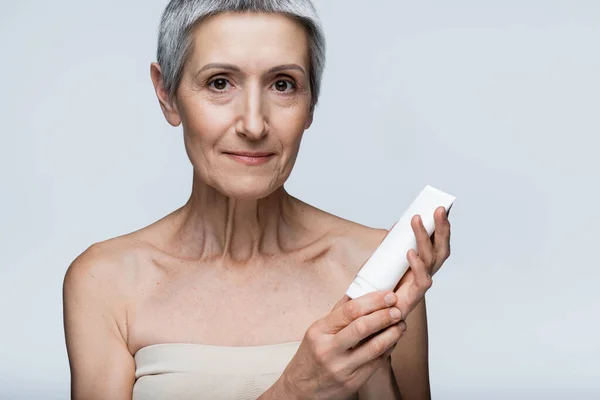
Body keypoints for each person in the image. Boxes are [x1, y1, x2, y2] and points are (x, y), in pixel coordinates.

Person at [62, 0, 452, 399]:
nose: (253, 124)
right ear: (167, 94)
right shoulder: (105, 282)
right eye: (219, 83)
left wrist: (372, 351)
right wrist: (296, 389)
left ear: (310, 103)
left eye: (282, 84)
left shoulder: (379, 266)